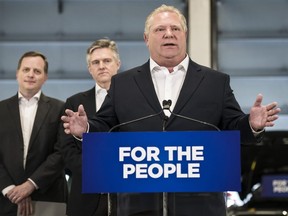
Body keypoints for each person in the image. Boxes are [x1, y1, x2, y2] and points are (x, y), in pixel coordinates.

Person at [61, 4, 281, 216]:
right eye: (160, 29)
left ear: (184, 34)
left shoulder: (215, 82)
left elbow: (233, 126)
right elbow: (106, 126)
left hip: (200, 204)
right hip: (138, 203)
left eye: (175, 29)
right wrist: (87, 129)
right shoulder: (123, 83)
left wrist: (251, 125)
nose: (169, 34)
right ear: (146, 38)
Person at [0, 51, 67, 216]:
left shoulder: (61, 108)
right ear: (17, 74)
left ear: (45, 77)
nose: (31, 75)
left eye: (37, 71)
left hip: (48, 197)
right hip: (6, 198)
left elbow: (61, 152)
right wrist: (11, 189)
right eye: (26, 70)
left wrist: (30, 185)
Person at [60, 38, 120, 216]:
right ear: (90, 69)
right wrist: (97, 171)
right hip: (85, 196)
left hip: (124, 194)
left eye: (107, 61)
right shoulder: (74, 102)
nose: (101, 66)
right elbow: (67, 150)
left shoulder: (135, 100)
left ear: (118, 64)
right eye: (96, 62)